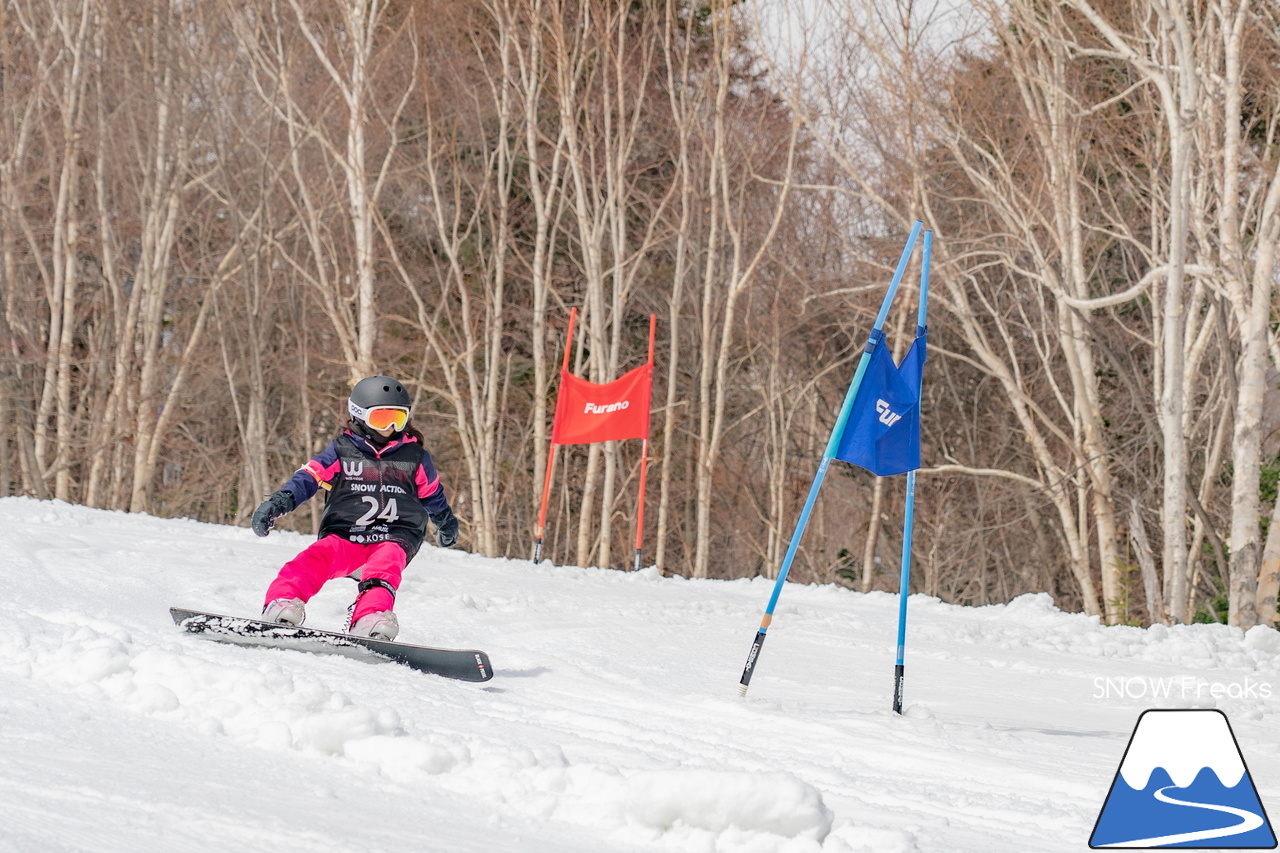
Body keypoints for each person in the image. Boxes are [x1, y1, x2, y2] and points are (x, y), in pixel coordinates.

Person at [250, 375, 460, 641]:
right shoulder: (342, 450)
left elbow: (432, 494)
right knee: (314, 560)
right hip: (346, 533)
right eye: (382, 420)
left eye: (399, 418)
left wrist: (445, 521)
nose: (391, 427)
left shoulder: (415, 457)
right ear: (359, 416)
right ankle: (282, 602)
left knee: (386, 567)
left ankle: (370, 618)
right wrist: (278, 502)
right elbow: (309, 478)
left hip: (395, 535)